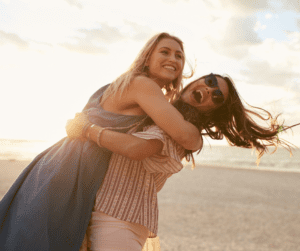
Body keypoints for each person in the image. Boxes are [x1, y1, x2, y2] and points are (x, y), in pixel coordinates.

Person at [0, 32, 203, 251]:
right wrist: (200, 137)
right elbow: (185, 136)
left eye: (179, 56)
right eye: (165, 52)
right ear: (147, 57)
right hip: (72, 171)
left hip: (63, 162)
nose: (173, 59)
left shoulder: (125, 84)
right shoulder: (143, 85)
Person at [66, 73, 298, 250]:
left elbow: (136, 148)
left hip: (120, 216)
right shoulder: (163, 110)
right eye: (209, 81)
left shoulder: (183, 130)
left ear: (215, 110)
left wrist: (86, 129)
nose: (209, 89)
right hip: (103, 208)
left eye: (217, 95)